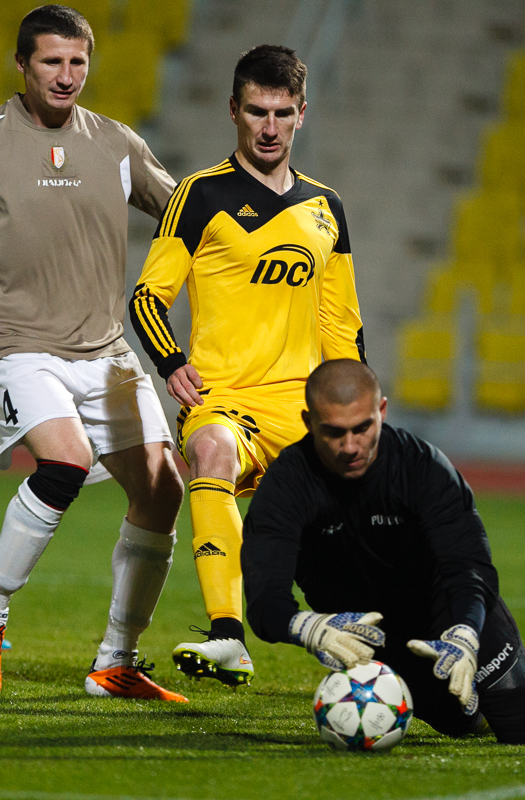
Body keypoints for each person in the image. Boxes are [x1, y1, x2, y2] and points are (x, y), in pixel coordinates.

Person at [0, 4, 185, 702]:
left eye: (78, 62)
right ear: (22, 64)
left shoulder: (116, 144)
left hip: (104, 349)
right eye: (52, 61)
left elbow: (185, 212)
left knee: (164, 488)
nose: (66, 75)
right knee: (66, 460)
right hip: (17, 346)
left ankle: (116, 660)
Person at [130, 44, 365, 687]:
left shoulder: (326, 207)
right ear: (233, 110)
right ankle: (228, 635)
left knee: (364, 530)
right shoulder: (199, 194)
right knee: (209, 452)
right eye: (257, 111)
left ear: (301, 114)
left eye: (282, 113)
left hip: (302, 406)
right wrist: (171, 361)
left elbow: (341, 325)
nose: (269, 127)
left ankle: (391, 641)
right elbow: (148, 295)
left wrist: (358, 405)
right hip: (223, 397)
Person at [241, 360, 525, 744]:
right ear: (308, 422)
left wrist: (465, 632)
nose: (350, 446)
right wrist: (306, 627)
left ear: (382, 411)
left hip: (448, 609)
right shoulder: (284, 489)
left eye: (362, 428)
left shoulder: (422, 468)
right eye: (334, 432)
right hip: (369, 635)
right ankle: (495, 704)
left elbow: (469, 566)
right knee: (461, 724)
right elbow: (264, 599)